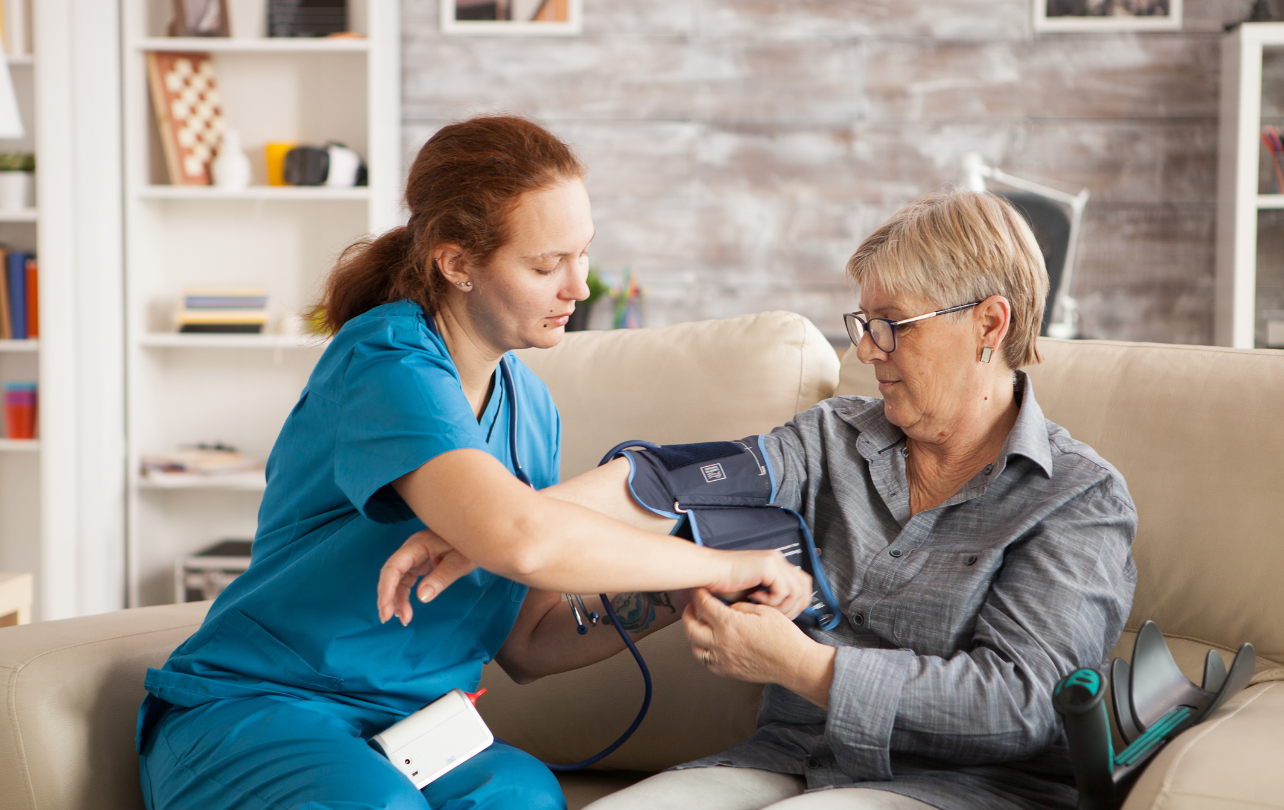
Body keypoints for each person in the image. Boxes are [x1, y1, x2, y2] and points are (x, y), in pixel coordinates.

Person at [135, 116, 812, 810]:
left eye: (583, 255)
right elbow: (522, 540)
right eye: (546, 265)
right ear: (456, 263)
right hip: (264, 710)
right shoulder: (386, 363)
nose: (577, 287)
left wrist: (679, 597)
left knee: (522, 795)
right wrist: (721, 560)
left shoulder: (530, 405)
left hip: (409, 733)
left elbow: (528, 641)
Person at [380, 190, 1138, 810]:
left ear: (990, 323)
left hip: (960, 789)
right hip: (788, 760)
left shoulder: (1077, 499)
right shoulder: (835, 436)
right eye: (862, 324)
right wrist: (493, 530)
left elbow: (1025, 704)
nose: (866, 351)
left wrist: (808, 669)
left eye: (891, 326)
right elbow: (667, 482)